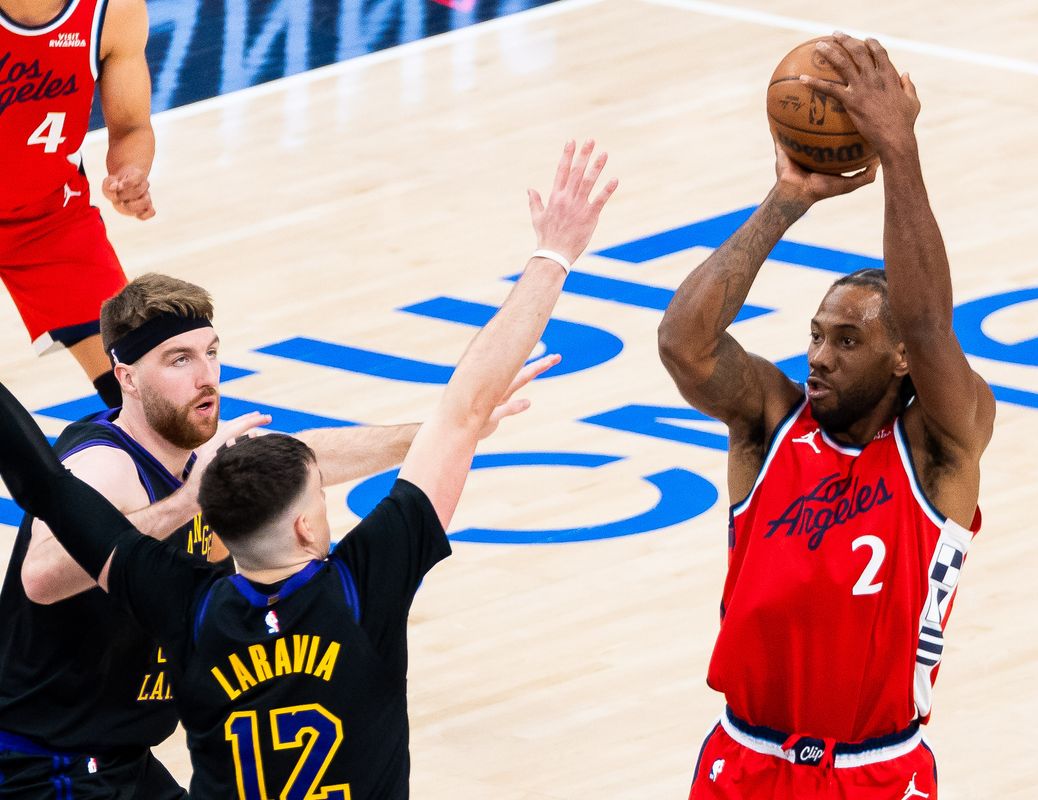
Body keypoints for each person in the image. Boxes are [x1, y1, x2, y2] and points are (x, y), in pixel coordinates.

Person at [0, 139, 618, 798]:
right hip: (50, 761)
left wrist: (427, 436)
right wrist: (453, 430)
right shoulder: (108, 465)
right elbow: (42, 571)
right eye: (178, 360)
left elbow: (299, 461)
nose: (207, 376)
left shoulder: (197, 525)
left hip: (120, 752)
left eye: (211, 353)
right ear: (123, 373)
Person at [658, 34, 995, 799]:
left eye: (847, 340)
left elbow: (930, 323)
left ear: (901, 358)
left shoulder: (940, 447)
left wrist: (898, 155)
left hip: (874, 771)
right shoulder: (771, 424)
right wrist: (787, 199)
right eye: (815, 334)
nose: (819, 356)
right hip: (742, 759)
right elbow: (683, 343)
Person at [1, 0, 156, 407]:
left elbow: (132, 127)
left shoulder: (112, 12)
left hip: (49, 219)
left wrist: (130, 173)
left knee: (143, 389)